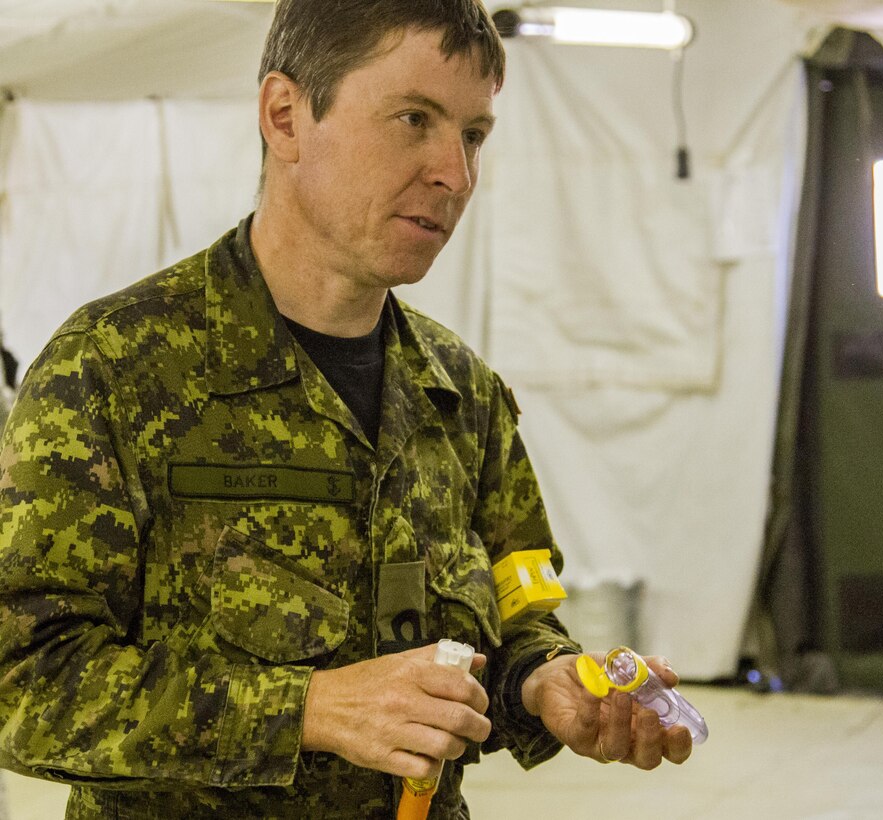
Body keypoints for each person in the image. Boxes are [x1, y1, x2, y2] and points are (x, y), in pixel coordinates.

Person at [0, 1, 694, 817]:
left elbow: (515, 621)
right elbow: (23, 683)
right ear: (286, 117)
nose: (455, 174)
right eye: (413, 119)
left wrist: (545, 683)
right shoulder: (114, 369)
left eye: (473, 135)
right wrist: (309, 711)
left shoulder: (458, 394)